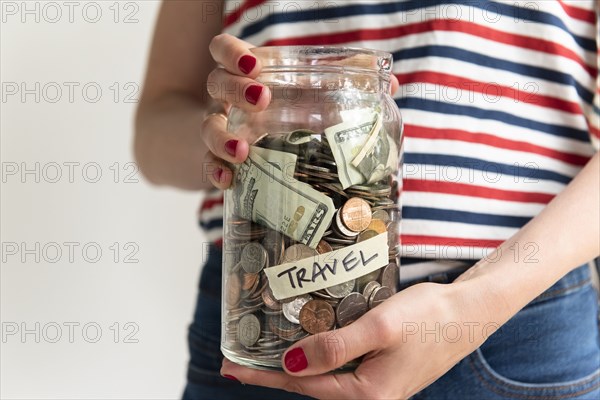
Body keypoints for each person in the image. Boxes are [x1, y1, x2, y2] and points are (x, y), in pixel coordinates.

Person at [134, 1, 600, 399]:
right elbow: (154, 129)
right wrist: (233, 139)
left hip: (516, 316)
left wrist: (473, 306)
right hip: (260, 309)